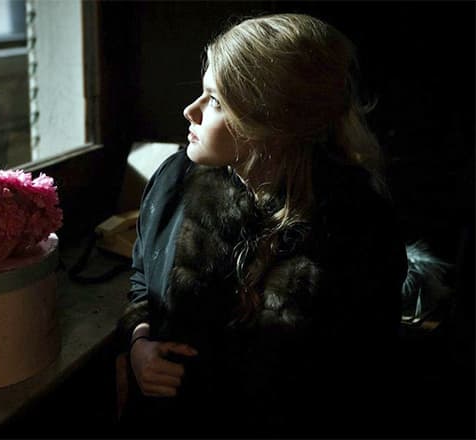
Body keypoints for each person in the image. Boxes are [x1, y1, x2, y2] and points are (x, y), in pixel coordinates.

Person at [116, 13, 408, 437]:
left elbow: (362, 374)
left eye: (216, 101)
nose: (190, 111)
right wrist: (140, 343)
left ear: (272, 120)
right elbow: (143, 282)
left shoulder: (358, 224)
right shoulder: (174, 181)